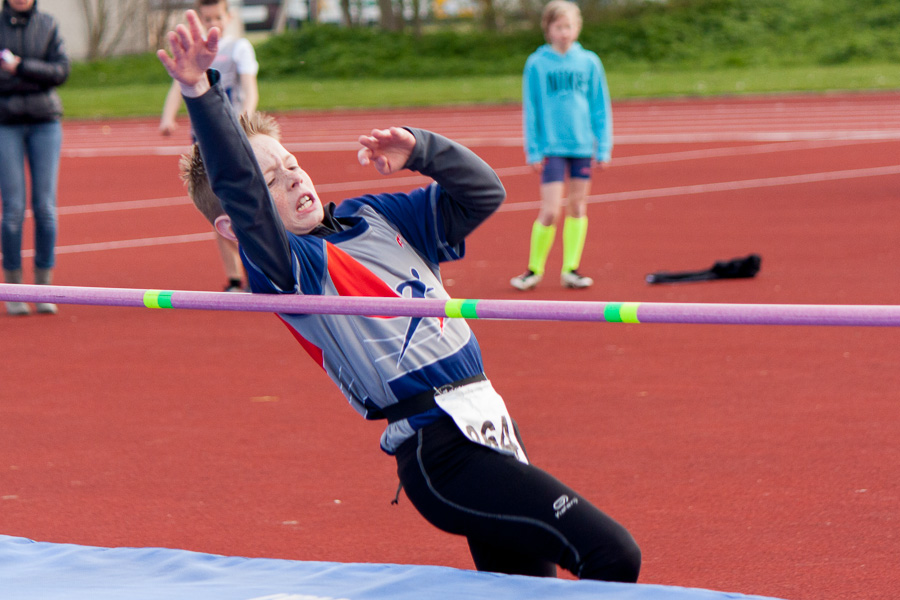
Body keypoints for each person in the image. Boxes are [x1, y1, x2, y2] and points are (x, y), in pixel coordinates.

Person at [158, 10, 640, 582]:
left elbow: (484, 193)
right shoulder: (289, 270)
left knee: (527, 590)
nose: (292, 177)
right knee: (613, 554)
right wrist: (199, 93)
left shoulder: (375, 215)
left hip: (490, 424)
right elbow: (240, 191)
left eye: (291, 163)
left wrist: (422, 151)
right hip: (442, 453)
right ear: (237, 227)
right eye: (269, 180)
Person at [511, 0, 612, 291]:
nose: (564, 32)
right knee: (551, 210)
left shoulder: (589, 62)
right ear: (548, 29)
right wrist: (533, 150)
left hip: (582, 147)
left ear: (577, 28)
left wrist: (603, 147)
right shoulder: (537, 63)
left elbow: (600, 106)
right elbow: (531, 108)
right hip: (552, 148)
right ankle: (533, 270)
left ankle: (571, 269)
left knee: (578, 206)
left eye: (569, 26)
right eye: (559, 27)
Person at [160, 0, 259, 293]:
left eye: (218, 16)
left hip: (235, 135)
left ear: (228, 16)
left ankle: (258, 271)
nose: (213, 22)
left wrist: (245, 120)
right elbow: (178, 85)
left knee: (247, 204)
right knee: (217, 207)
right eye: (207, 18)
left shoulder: (238, 48)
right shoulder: (195, 51)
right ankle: (233, 277)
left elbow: (250, 89)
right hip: (203, 138)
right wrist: (168, 118)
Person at [0, 0, 68, 316]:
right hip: (6, 124)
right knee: (13, 209)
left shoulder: (48, 25)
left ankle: (44, 287)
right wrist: (35, 76)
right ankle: (13, 288)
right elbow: (47, 75)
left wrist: (20, 68)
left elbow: (60, 71)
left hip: (45, 123)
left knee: (46, 207)